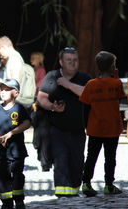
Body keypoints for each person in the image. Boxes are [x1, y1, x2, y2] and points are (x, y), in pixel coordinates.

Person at [37, 47, 91, 197]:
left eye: (75, 60)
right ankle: (61, 196)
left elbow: (88, 95)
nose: (73, 63)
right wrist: (52, 107)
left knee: (77, 163)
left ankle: (73, 192)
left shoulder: (84, 78)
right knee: (60, 162)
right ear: (61, 62)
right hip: (57, 129)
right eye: (69, 60)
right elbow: (41, 98)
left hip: (78, 130)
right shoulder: (51, 76)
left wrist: (68, 84)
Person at [80, 51, 124, 196]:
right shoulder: (116, 83)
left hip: (95, 128)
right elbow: (119, 96)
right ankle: (109, 185)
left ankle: (86, 183)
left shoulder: (91, 84)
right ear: (112, 67)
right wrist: (115, 76)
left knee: (91, 156)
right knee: (110, 157)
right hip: (112, 128)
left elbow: (85, 107)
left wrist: (86, 125)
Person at [0, 78, 31, 209]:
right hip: (0, 152)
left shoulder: (19, 108)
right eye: (1, 89)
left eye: (7, 89)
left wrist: (11, 133)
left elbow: (27, 123)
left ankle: (19, 200)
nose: (3, 92)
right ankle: (6, 202)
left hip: (16, 151)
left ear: (16, 93)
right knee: (2, 178)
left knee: (17, 177)